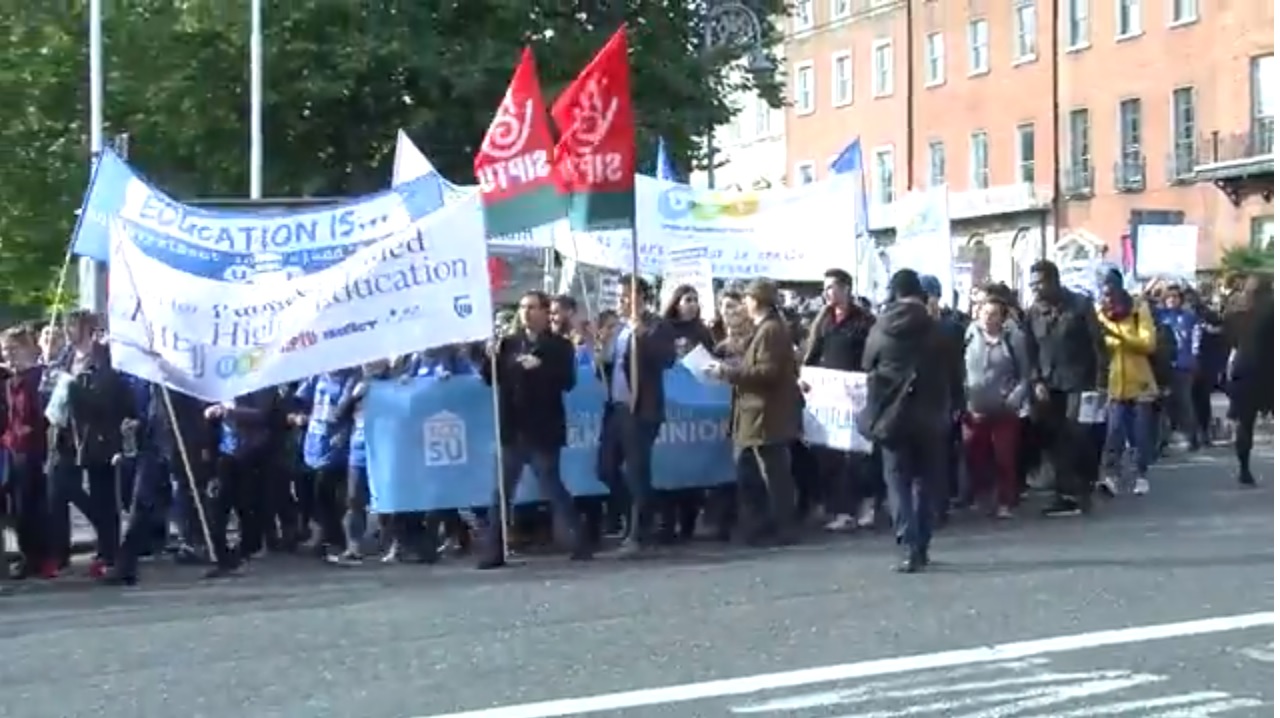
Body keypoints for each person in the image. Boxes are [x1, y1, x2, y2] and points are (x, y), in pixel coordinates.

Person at [478, 290, 591, 569]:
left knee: (552, 486)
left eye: (532, 307)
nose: (526, 312)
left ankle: (578, 542)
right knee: (502, 492)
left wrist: (541, 368)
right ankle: (494, 551)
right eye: (523, 307)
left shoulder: (559, 346)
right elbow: (489, 379)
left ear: (544, 311)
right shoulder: (507, 344)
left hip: (543, 428)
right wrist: (487, 357)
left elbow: (568, 381)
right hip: (512, 427)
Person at [859, 269, 952, 573]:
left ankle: (907, 543)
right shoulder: (937, 328)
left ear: (894, 293)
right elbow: (954, 372)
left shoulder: (880, 328)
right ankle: (923, 544)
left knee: (897, 481)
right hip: (931, 414)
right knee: (926, 482)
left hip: (892, 415)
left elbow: (867, 364)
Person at [705, 279, 802, 545]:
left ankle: (782, 527)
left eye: (747, 299)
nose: (743, 304)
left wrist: (728, 372)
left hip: (765, 415)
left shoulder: (771, 330)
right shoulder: (765, 329)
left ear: (756, 301)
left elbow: (766, 372)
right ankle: (759, 525)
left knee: (773, 474)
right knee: (751, 474)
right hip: (754, 415)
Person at [595, 275, 676, 557]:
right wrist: (600, 351)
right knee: (605, 468)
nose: (621, 300)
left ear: (641, 296)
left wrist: (641, 334)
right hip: (615, 407)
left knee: (637, 470)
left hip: (641, 409)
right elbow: (608, 367)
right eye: (619, 295)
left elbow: (667, 359)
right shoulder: (617, 328)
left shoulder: (656, 326)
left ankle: (639, 534)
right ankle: (643, 514)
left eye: (626, 295)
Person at [1023, 260, 1107, 517]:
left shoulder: (1080, 305)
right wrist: (1036, 380)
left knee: (1077, 435)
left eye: (1040, 283)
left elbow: (1098, 346)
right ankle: (1064, 492)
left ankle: (1079, 491)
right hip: (1048, 385)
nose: (1036, 289)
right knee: (1053, 437)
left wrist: (1101, 382)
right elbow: (1030, 350)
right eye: (1033, 284)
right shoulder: (1033, 312)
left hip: (1080, 381)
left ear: (1054, 281)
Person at [800, 268, 877, 532]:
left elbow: (872, 356)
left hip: (856, 396)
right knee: (831, 455)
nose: (827, 292)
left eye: (832, 286)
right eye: (825, 288)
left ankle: (867, 504)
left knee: (858, 455)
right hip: (829, 399)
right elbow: (811, 354)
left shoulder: (865, 321)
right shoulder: (822, 321)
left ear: (846, 288)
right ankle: (841, 510)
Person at [961, 291, 1029, 518]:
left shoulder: (1013, 338)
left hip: (1005, 408)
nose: (989, 319)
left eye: (994, 314)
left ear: (1002, 317)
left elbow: (1025, 374)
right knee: (975, 454)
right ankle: (981, 496)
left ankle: (1005, 501)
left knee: (1004, 456)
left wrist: (1015, 397)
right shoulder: (969, 335)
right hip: (975, 407)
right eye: (985, 313)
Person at [1, 325, 53, 579]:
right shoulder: (11, 380)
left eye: (13, 349)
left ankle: (38, 557)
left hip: (33, 449)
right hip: (12, 448)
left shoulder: (39, 378)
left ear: (27, 348)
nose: (8, 355)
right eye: (4, 350)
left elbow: (43, 416)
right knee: (16, 507)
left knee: (31, 505)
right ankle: (27, 554)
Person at [1223, 275, 1273, 486]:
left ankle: (1244, 468)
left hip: (1244, 372)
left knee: (1245, 424)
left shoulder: (1235, 316)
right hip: (1270, 370)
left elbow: (1230, 341)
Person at [1155, 284, 1202, 451]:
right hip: (1164, 366)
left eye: (1175, 297)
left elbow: (1196, 339)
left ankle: (1192, 437)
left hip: (1184, 365)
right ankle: (1162, 440)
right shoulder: (1159, 316)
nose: (1172, 300)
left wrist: (1194, 358)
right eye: (1169, 297)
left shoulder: (1189, 317)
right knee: (1163, 405)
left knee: (1185, 402)